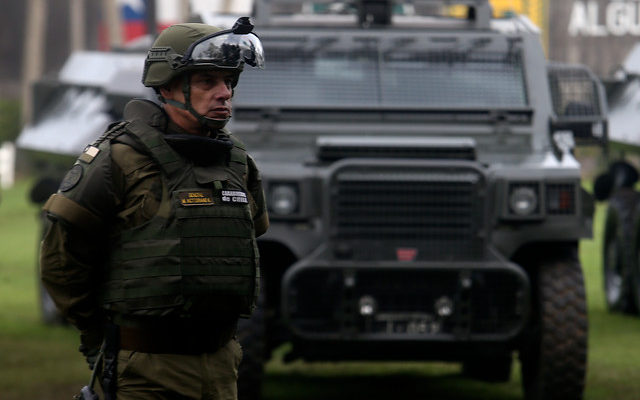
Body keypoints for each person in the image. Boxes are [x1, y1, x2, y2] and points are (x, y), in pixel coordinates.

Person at [39, 17, 268, 400]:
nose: (224, 93)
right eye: (208, 81)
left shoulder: (238, 162)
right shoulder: (118, 158)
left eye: (229, 81)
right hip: (145, 372)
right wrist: (99, 338)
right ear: (168, 86)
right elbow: (61, 262)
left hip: (221, 368)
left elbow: (245, 243)